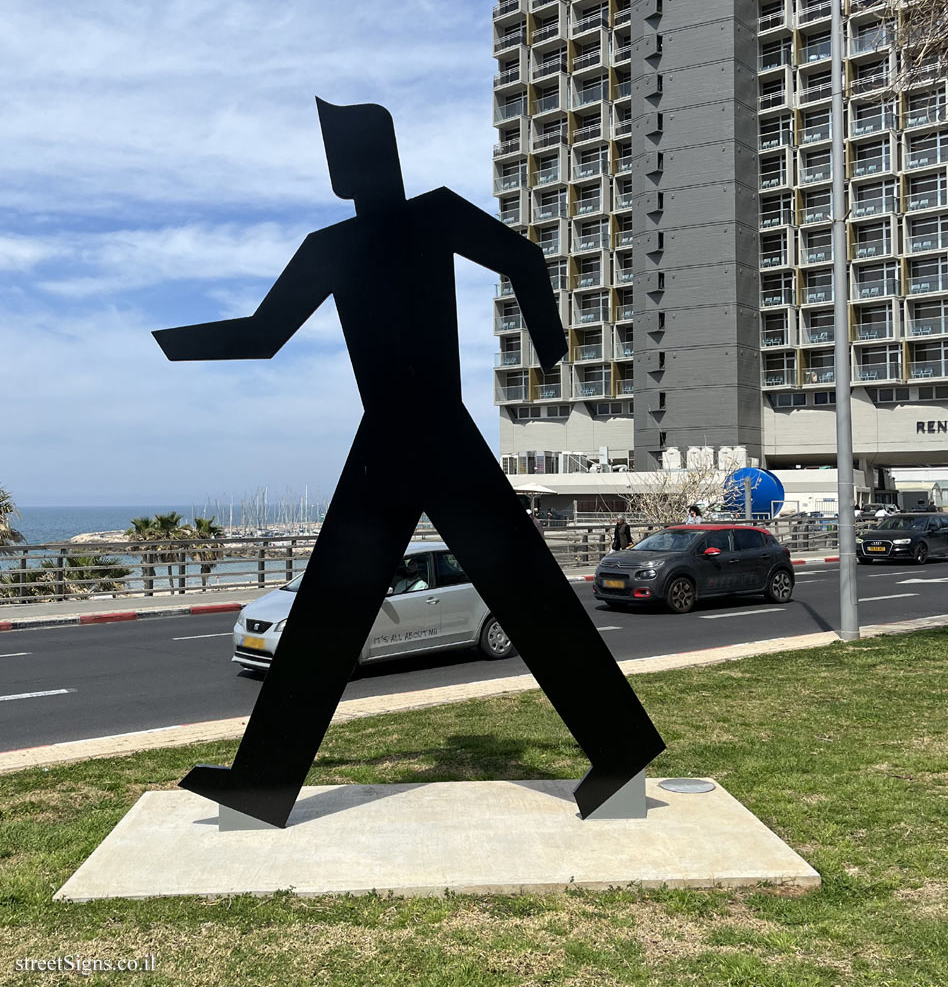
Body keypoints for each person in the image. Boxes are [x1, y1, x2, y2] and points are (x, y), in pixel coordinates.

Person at [154, 97, 664, 829]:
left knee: (353, 602)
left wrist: (171, 342)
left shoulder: (349, 239)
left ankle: (265, 780)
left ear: (354, 161)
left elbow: (261, 335)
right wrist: (548, 345)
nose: (333, 165)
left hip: (405, 434)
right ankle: (619, 746)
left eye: (337, 151)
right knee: (505, 591)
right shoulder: (422, 219)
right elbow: (521, 258)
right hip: (419, 431)